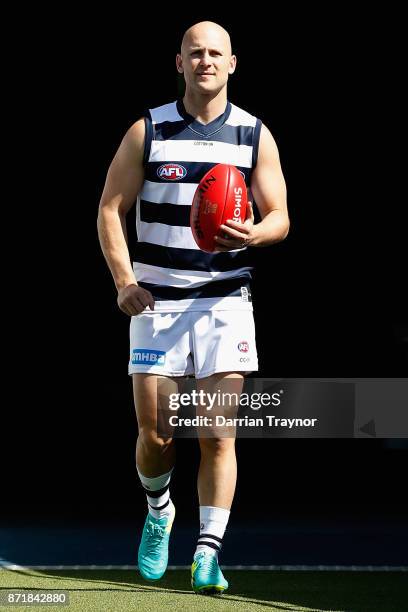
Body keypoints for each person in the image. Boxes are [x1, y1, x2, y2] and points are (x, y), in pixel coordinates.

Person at [97, 20, 289, 595]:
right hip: (156, 302)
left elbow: (280, 217)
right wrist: (123, 281)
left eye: (216, 53)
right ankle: (160, 511)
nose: (206, 61)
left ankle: (207, 554)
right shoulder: (147, 130)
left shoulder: (255, 134)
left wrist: (254, 236)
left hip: (226, 303)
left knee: (217, 435)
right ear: (178, 63)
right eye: (195, 53)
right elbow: (109, 209)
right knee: (158, 435)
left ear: (233, 64)